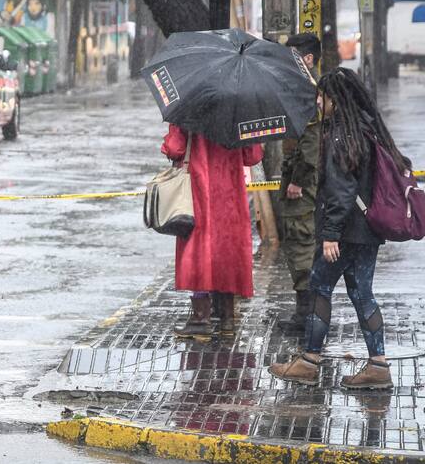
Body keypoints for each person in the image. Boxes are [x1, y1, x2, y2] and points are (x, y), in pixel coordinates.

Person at [269, 68, 409, 389]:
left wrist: (330, 233)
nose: (319, 101)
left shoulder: (341, 134)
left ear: (335, 99)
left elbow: (342, 188)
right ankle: (378, 365)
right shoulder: (366, 128)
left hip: (345, 232)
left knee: (319, 286)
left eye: (323, 96)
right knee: (362, 294)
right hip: (367, 230)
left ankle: (309, 361)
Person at [162, 125, 264, 337]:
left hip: (199, 191)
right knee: (227, 250)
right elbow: (252, 155)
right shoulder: (241, 112)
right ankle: (227, 319)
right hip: (231, 196)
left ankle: (201, 319)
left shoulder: (190, 110)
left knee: (199, 250)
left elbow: (174, 149)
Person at [278, 33, 322, 331]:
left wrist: (297, 181)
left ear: (307, 59)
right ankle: (306, 312)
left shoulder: (310, 91)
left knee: (301, 241)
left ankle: (307, 315)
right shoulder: (306, 89)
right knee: (300, 241)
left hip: (304, 186)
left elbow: (311, 145)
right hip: (304, 180)